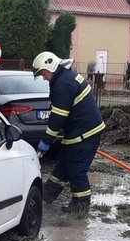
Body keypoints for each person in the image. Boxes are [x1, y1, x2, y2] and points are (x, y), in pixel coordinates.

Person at [32, 51, 106, 215]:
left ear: (50, 66)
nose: (43, 78)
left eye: (43, 73)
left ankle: (81, 205)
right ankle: (47, 196)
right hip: (80, 131)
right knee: (64, 164)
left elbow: (58, 118)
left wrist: (45, 142)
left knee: (76, 169)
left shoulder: (63, 84)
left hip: (85, 133)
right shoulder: (64, 78)